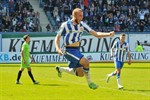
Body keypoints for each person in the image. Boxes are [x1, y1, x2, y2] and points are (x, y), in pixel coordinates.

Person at [54, 8, 115, 89]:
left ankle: (60, 69)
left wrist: (108, 34)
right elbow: (57, 38)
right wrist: (58, 48)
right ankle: (90, 83)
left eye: (82, 15)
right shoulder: (65, 25)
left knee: (80, 73)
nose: (81, 17)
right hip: (68, 50)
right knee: (86, 63)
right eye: (80, 15)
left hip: (77, 50)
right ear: (74, 15)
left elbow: (96, 34)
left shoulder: (82, 25)